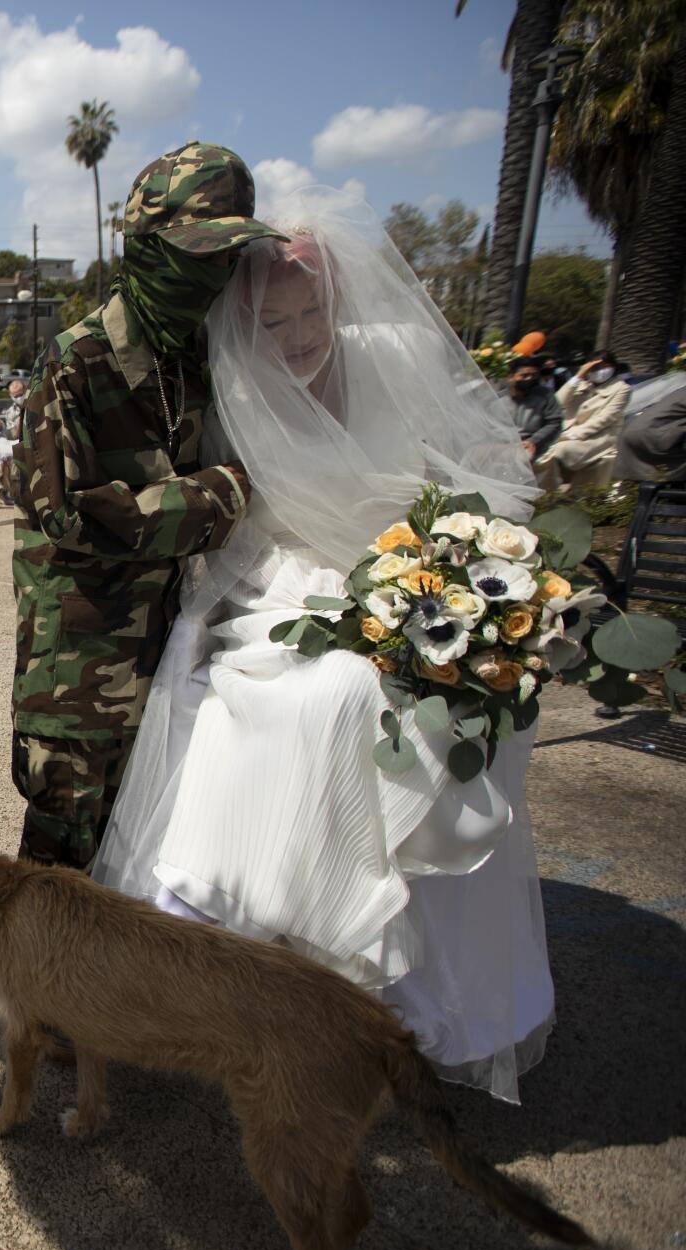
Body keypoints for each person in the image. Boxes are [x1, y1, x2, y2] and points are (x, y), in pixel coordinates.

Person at [92, 191, 553, 1102]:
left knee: (448, 695)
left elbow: (476, 468)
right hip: (288, 583)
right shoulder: (240, 388)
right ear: (248, 322)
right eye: (276, 319)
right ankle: (313, 944)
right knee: (323, 695)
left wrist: (460, 559)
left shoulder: (390, 359)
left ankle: (398, 977)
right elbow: (243, 533)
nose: (299, 334)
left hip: (404, 571)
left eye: (312, 311)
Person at [10, 142, 274, 868]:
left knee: (145, 857)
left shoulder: (199, 357)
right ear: (148, 251)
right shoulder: (78, 360)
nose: (216, 274)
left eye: (228, 257)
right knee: (58, 869)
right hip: (81, 664)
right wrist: (226, 494)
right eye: (198, 256)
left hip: (176, 649)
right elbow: (67, 513)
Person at [537, 351, 631, 491]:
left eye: (604, 367)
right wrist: (578, 377)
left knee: (558, 451)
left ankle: (546, 493)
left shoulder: (621, 389)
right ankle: (543, 492)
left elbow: (606, 418)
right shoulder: (581, 384)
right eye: (595, 368)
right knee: (539, 452)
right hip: (565, 434)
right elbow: (556, 404)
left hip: (597, 437)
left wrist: (571, 435)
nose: (600, 371)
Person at [508, 356, 564, 461]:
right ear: (511, 377)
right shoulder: (498, 396)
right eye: (524, 375)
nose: (529, 379)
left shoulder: (545, 395)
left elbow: (554, 422)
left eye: (534, 375)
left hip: (533, 444)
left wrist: (533, 440)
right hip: (501, 443)